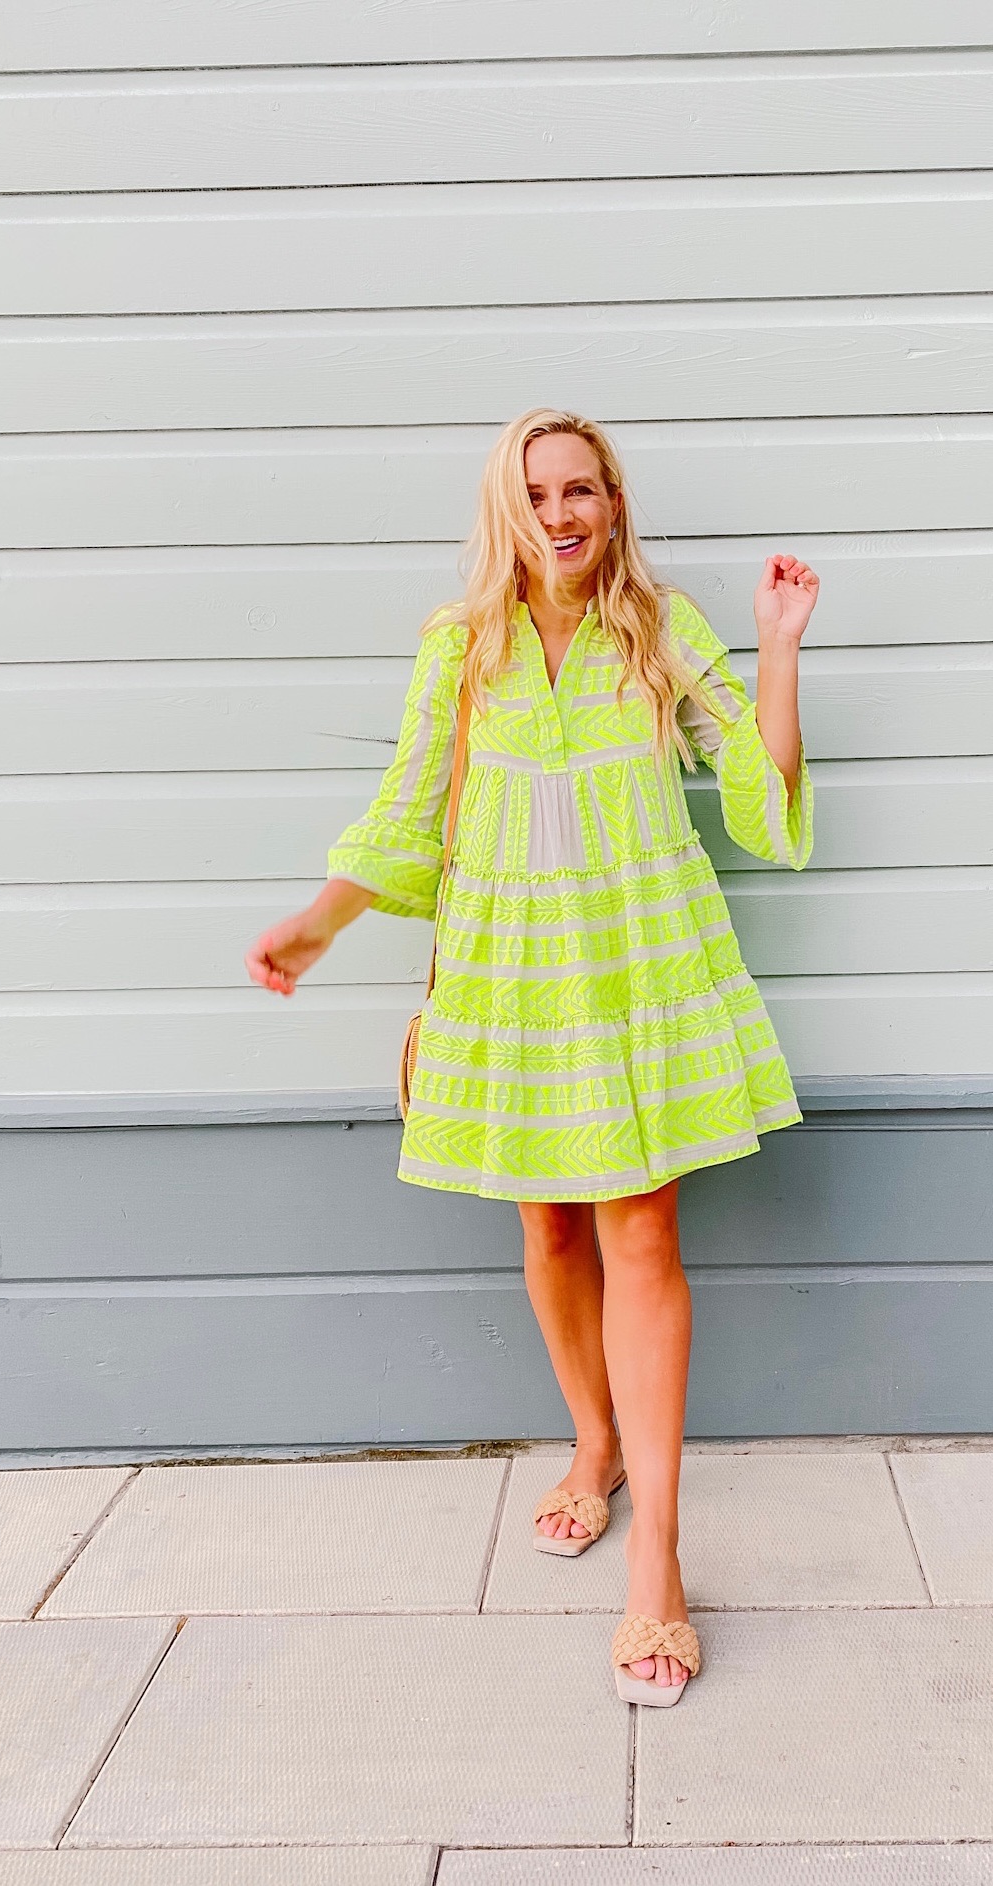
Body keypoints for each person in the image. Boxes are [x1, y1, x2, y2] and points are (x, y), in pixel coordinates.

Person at [245, 408, 818, 1706]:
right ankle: (592, 1441)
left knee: (640, 1231)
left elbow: (761, 800)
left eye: (584, 490)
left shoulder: (660, 629)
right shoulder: (462, 648)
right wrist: (317, 927)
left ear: (613, 502)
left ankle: (658, 1564)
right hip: (510, 970)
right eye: (538, 491)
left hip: (637, 969)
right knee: (551, 1225)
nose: (561, 513)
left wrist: (779, 650)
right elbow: (402, 818)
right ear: (507, 507)